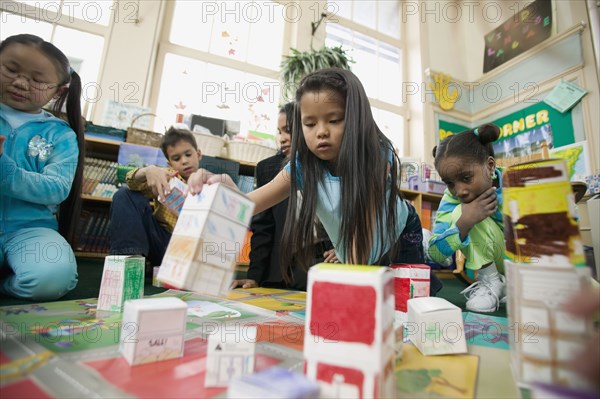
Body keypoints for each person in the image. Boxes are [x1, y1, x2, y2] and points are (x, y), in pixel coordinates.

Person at [189, 68, 441, 293]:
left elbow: (362, 230)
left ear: (356, 119)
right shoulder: (302, 165)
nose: (321, 131)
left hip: (397, 232)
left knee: (409, 297)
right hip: (354, 244)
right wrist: (225, 189)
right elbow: (251, 203)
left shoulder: (375, 154)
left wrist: (350, 272)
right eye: (309, 123)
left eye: (334, 120)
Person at [0, 34, 85, 300]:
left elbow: (56, 189)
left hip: (31, 230)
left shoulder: (60, 134)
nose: (21, 82)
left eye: (37, 80)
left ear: (58, 91)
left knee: (53, 276)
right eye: (10, 69)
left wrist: (5, 169)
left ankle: (7, 285)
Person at [231, 103, 336, 290]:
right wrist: (254, 276)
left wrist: (341, 249)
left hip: (320, 262)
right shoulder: (267, 168)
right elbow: (263, 228)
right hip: (278, 269)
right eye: (279, 132)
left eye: (288, 130)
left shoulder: (329, 165)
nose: (282, 138)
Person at [428, 123, 505, 313]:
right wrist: (464, 223)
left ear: (490, 165)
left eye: (466, 178)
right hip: (498, 264)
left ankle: (514, 285)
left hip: (525, 261)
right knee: (462, 212)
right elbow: (436, 253)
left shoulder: (515, 185)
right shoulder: (451, 199)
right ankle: (490, 282)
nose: (459, 191)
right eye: (450, 183)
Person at [109, 127, 202, 268]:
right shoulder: (165, 177)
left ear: (199, 154)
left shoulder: (210, 182)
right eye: (176, 158)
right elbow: (131, 183)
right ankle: (129, 263)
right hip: (162, 243)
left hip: (192, 251)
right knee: (124, 194)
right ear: (170, 163)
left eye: (188, 155)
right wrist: (148, 171)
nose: (184, 161)